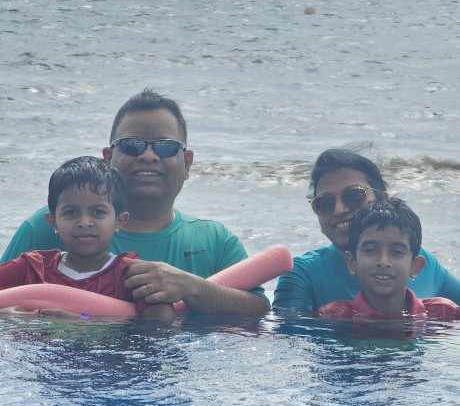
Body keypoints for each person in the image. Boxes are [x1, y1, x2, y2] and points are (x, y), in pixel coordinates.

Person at [1, 89, 270, 315]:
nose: (149, 156)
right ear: (108, 158)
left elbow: (259, 311)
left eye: (165, 146)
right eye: (132, 145)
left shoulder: (214, 240)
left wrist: (191, 287)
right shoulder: (47, 226)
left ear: (186, 163)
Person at [273, 146, 460, 313]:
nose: (339, 210)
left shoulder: (424, 262)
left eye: (353, 196)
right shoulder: (302, 274)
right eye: (325, 203)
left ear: (383, 200)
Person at [0, 156, 175, 320]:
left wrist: (86, 322)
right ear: (53, 222)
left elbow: (162, 319)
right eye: (71, 212)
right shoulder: (31, 268)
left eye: (98, 212)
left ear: (119, 221)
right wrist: (6, 317)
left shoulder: (128, 273)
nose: (84, 222)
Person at [318, 197, 460, 320]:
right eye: (371, 250)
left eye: (397, 252)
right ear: (351, 262)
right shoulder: (333, 316)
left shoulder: (445, 313)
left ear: (415, 266)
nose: (383, 262)